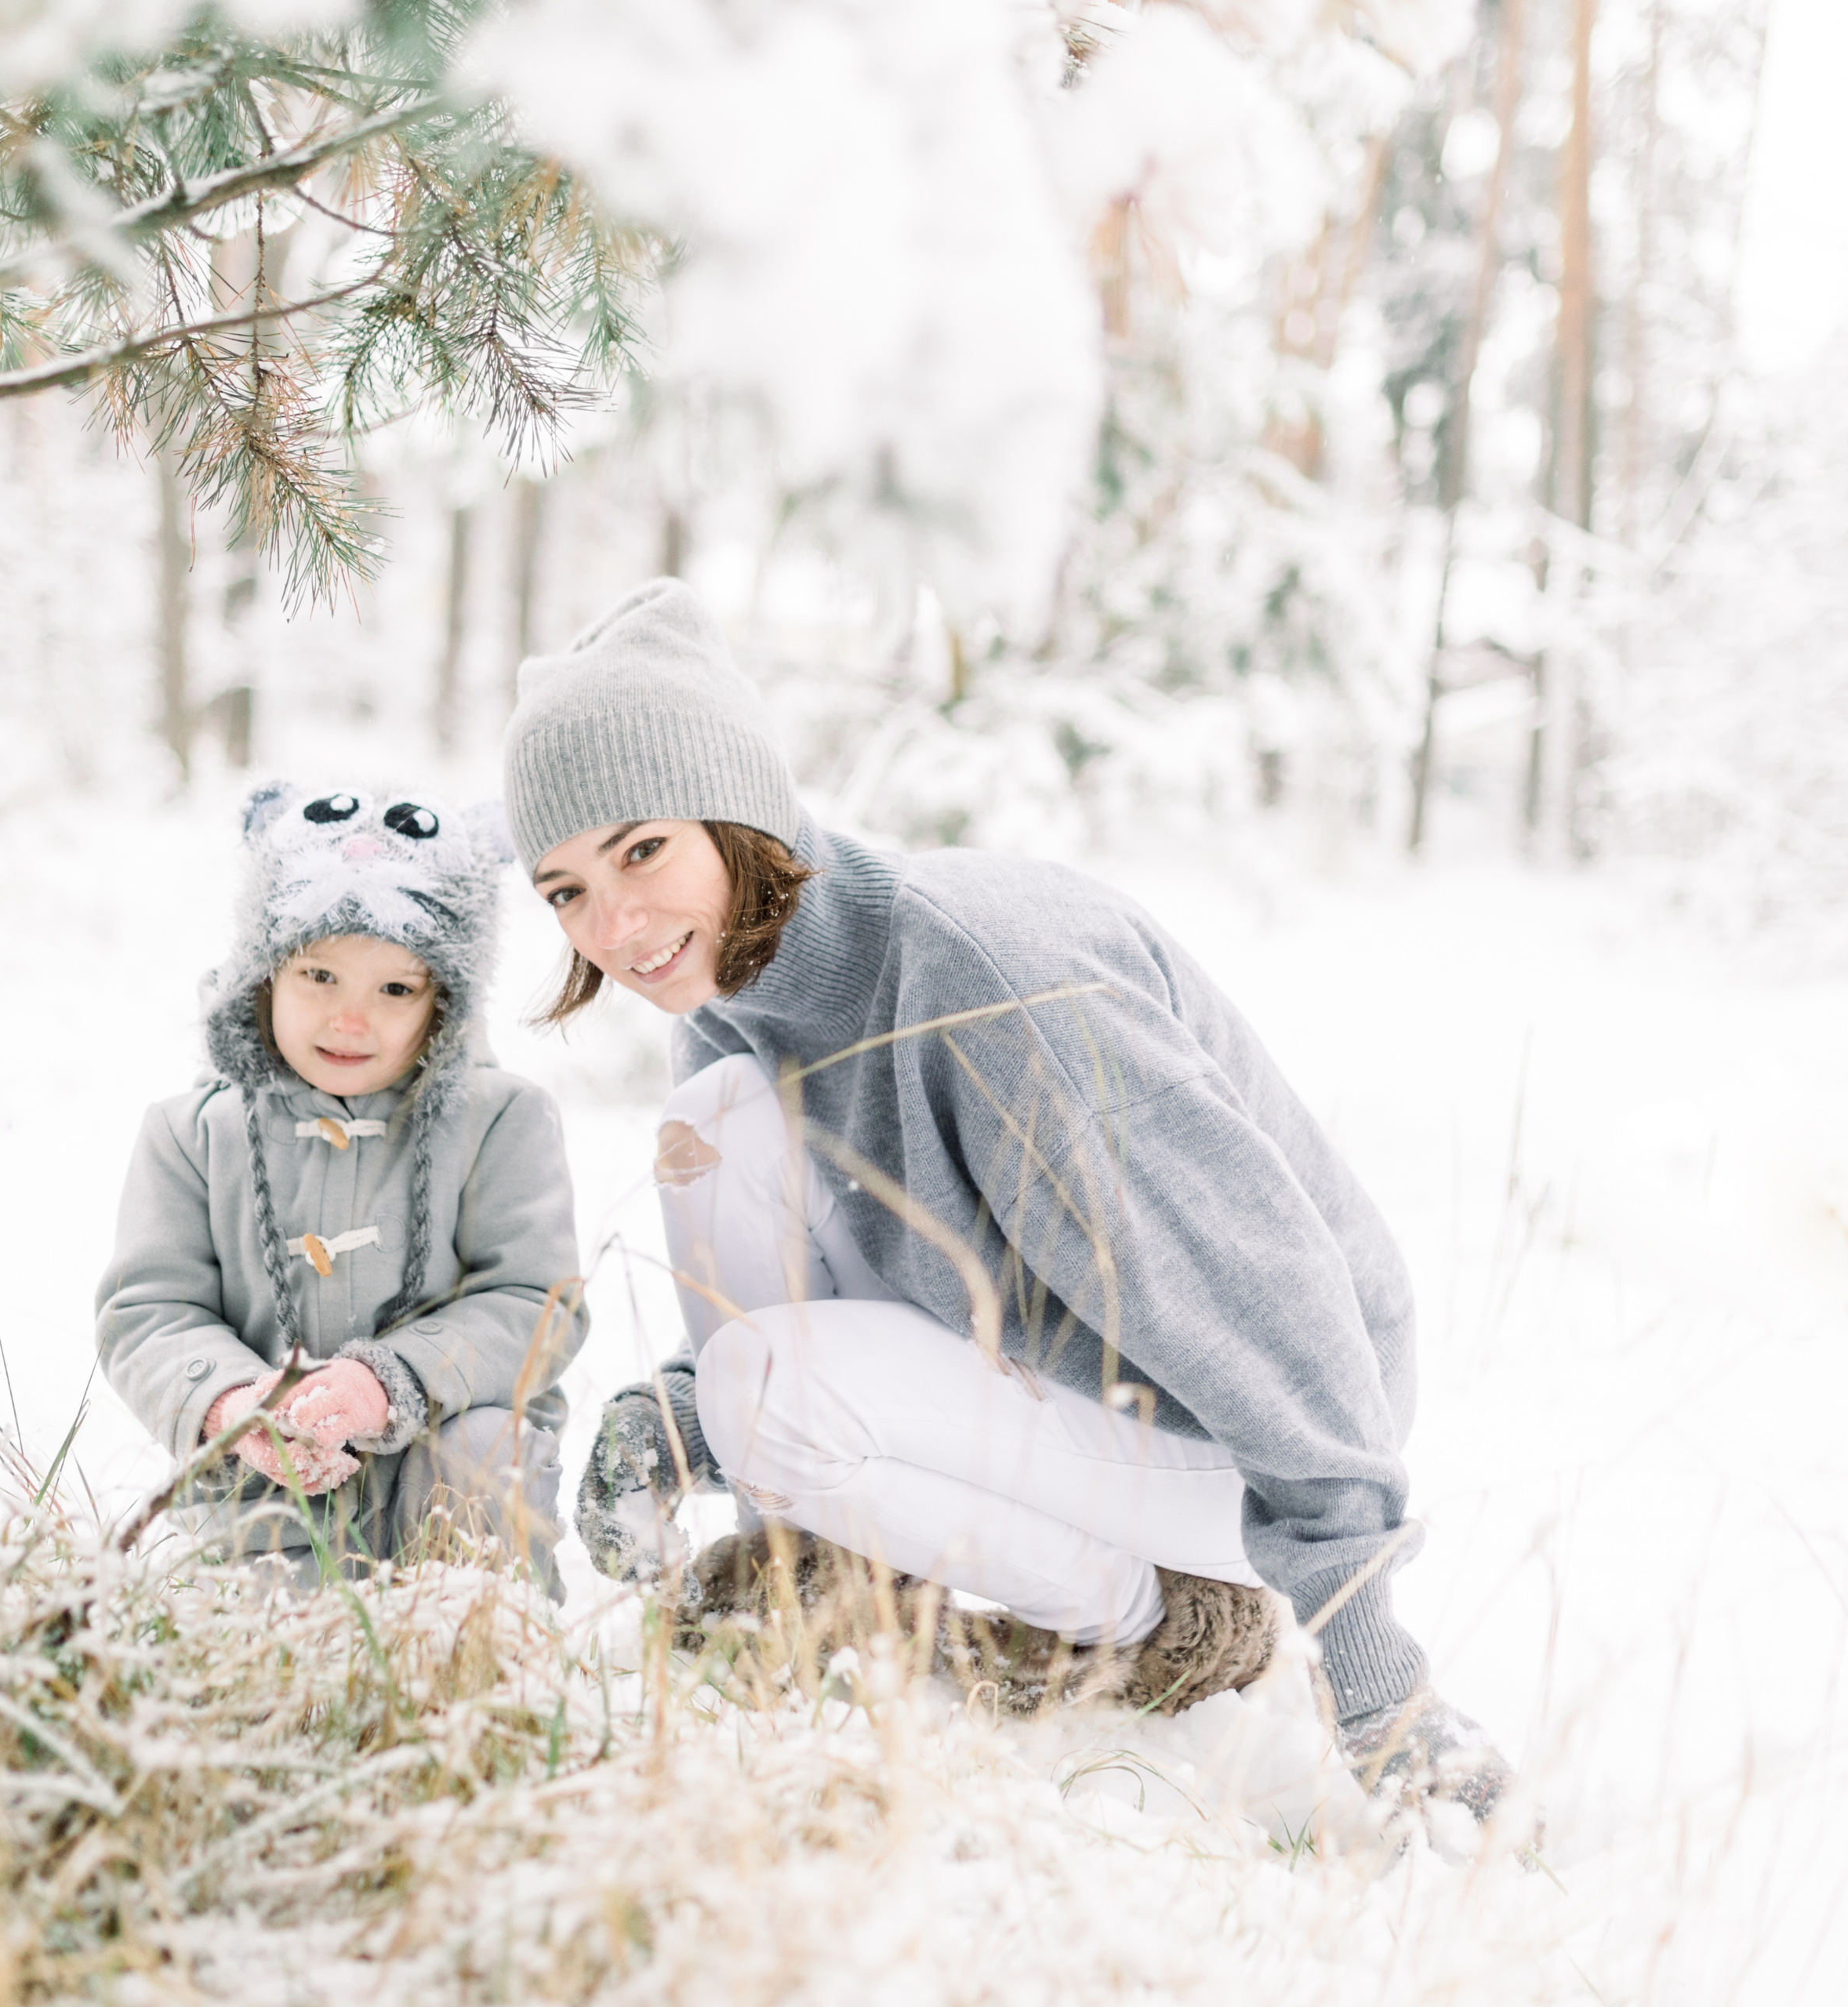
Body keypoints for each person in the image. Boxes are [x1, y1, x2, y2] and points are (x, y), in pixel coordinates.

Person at [507, 579, 1514, 1824]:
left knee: (767, 1388)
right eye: (564, 890)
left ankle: (1161, 1624)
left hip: (1256, 1435)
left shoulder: (994, 986)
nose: (613, 925)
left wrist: (1373, 1674)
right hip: (1066, 1364)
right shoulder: (734, 1007)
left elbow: (1269, 1302)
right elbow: (813, 1256)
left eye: (642, 851)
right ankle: (823, 1563)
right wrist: (676, 1408)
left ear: (738, 810)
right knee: (714, 1134)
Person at [96, 782, 585, 1590]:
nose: (349, 1019)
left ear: (445, 999)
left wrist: (391, 1381)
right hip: (264, 1490)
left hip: (450, 1471)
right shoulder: (193, 1134)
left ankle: (485, 1639)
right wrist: (230, 1405)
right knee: (276, 1647)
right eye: (318, 975)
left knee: (482, 1457)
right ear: (263, 974)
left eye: (395, 989)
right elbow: (149, 1312)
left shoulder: (500, 1121)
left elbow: (536, 1303)